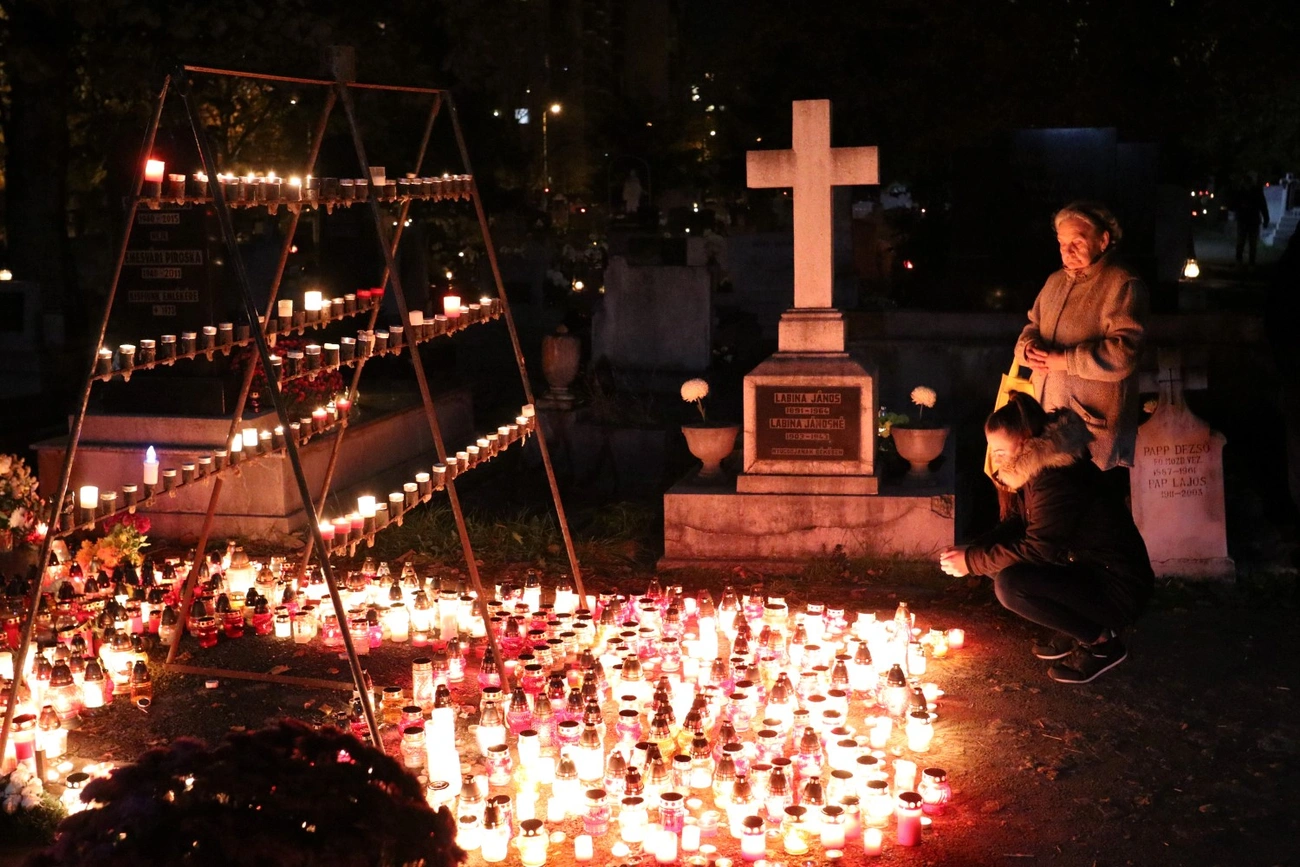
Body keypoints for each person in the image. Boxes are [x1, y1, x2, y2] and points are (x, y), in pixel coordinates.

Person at [939, 392, 1154, 684]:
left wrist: (972, 561)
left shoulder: (1056, 477)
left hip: (1117, 587)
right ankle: (1077, 626)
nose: (995, 458)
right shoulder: (1040, 468)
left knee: (1010, 584)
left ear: (1025, 442)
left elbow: (1039, 550)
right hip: (1085, 569)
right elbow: (1021, 521)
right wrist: (975, 550)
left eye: (1000, 450)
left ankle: (1102, 642)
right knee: (995, 562)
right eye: (992, 450)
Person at [1016, 201, 1147, 488]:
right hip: (1047, 426)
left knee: (1093, 507)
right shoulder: (1054, 282)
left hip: (1093, 433)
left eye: (1077, 241)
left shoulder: (1122, 283)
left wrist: (1064, 360)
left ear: (1103, 240)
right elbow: (1032, 326)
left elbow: (1124, 353)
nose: (1067, 250)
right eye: (1062, 243)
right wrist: (1027, 349)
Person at [1231, 175, 1270, 267]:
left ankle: (1249, 262)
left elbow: (1263, 206)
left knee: (1251, 243)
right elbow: (1234, 205)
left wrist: (1266, 219)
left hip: (1252, 220)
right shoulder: (1241, 192)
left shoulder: (1255, 192)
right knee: (1242, 242)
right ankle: (1240, 261)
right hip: (1244, 220)